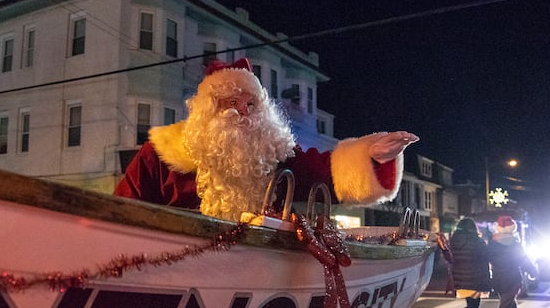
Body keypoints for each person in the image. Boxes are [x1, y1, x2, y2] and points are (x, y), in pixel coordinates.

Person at [114, 58, 418, 220]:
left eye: (251, 105)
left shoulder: (270, 154)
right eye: (232, 104)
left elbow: (325, 173)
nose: (242, 114)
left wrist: (373, 155)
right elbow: (120, 215)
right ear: (209, 108)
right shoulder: (162, 153)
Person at [482, 215, 537, 308]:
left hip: (498, 280)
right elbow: (523, 260)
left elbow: (485, 259)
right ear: (512, 228)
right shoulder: (515, 244)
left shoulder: (492, 243)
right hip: (512, 280)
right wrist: (533, 272)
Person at [441, 218, 490, 308]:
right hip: (475, 277)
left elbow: (450, 259)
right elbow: (486, 257)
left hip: (460, 277)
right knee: (474, 306)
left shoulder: (454, 241)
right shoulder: (477, 241)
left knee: (471, 303)